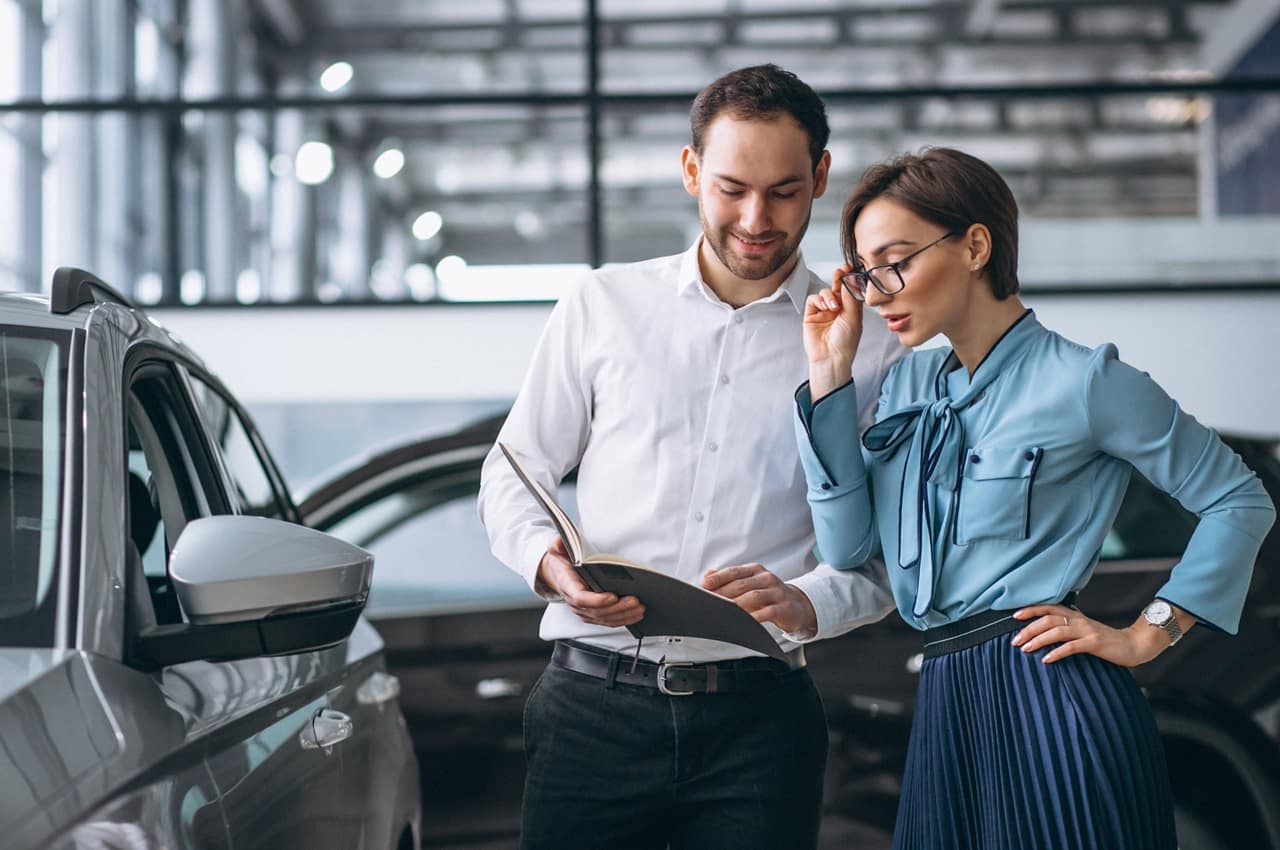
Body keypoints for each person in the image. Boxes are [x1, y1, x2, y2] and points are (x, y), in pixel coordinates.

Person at [795, 146, 1277, 850]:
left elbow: (1239, 499)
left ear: (976, 246)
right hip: (947, 701)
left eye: (895, 262)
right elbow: (846, 547)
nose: (877, 293)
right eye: (866, 272)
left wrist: (1149, 634)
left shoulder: (1085, 382)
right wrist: (829, 374)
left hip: (1052, 700)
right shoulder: (905, 388)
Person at [478, 64, 905, 850]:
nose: (755, 217)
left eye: (783, 190)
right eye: (731, 187)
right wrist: (551, 566)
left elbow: (887, 561)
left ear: (819, 178)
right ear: (690, 171)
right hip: (591, 710)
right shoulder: (602, 305)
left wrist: (809, 601)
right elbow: (512, 471)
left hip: (761, 722)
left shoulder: (874, 349)